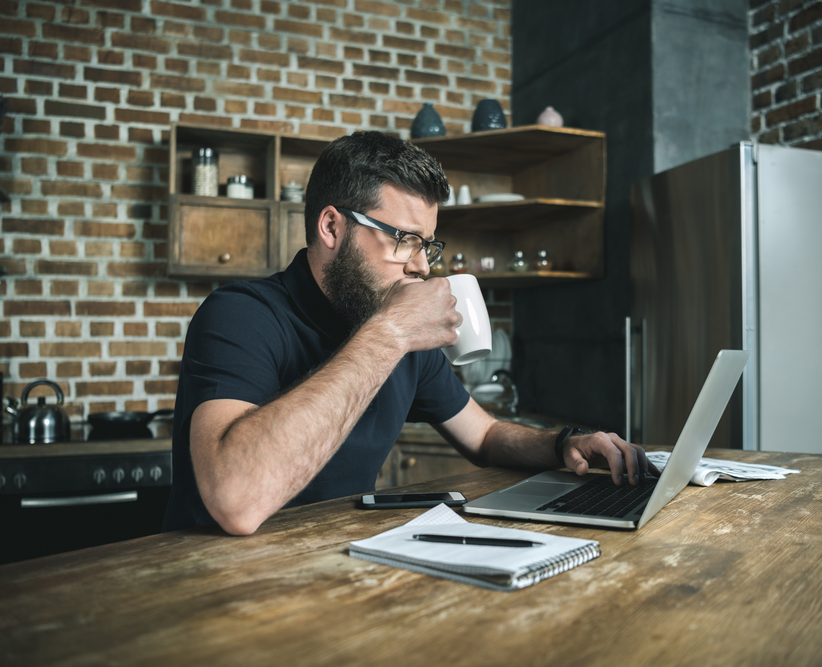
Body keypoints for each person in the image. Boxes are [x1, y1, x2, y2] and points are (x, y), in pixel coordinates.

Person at [162, 131, 657, 535]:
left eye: (428, 245)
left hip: (342, 568)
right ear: (331, 228)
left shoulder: (397, 328)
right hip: (219, 587)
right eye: (404, 240)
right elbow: (236, 502)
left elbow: (483, 435)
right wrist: (392, 332)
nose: (421, 266)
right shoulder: (240, 315)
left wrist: (564, 443)